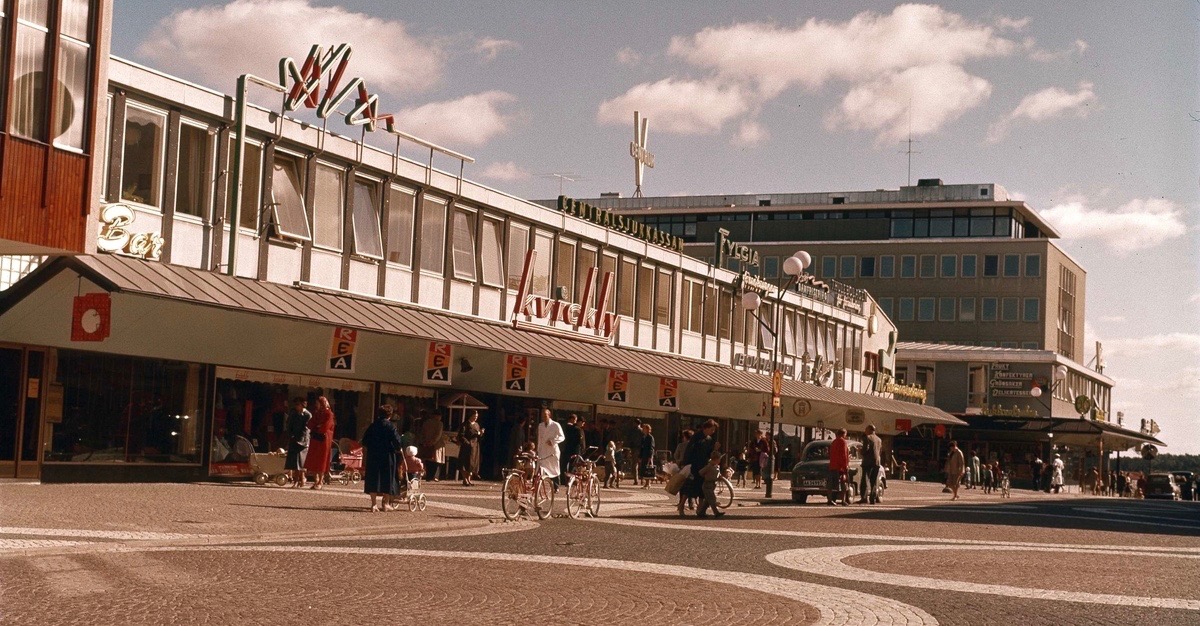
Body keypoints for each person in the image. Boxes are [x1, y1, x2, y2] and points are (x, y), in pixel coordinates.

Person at [361, 405, 403, 512]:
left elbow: (365, 440)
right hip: (387, 455)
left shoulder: (373, 425)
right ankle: (386, 504)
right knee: (388, 477)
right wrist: (397, 448)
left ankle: (374, 504)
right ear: (390, 415)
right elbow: (397, 441)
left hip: (373, 454)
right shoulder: (391, 426)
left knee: (373, 477)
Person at [683, 419, 719, 518]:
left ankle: (700, 510)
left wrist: (715, 449)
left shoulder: (709, 439)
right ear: (706, 428)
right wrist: (686, 463)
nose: (713, 432)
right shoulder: (697, 437)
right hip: (695, 465)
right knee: (692, 486)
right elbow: (689, 450)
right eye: (711, 429)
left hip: (703, 465)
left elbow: (709, 454)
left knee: (702, 488)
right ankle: (682, 506)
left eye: (714, 430)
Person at [304, 396, 335, 490]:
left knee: (322, 460)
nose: (316, 405)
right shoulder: (317, 413)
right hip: (315, 439)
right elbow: (310, 424)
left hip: (323, 440)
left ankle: (320, 480)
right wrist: (317, 426)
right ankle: (315, 480)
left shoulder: (328, 413)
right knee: (314, 459)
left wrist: (317, 427)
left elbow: (325, 426)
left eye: (318, 403)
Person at [283, 397, 310, 488]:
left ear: (303, 404)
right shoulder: (293, 413)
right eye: (295, 405)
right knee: (294, 462)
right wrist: (290, 435)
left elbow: (306, 429)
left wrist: (301, 439)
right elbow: (289, 423)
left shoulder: (307, 415)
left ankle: (301, 479)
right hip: (293, 439)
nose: (296, 406)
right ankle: (296, 480)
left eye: (298, 404)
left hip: (302, 441)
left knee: (301, 462)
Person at [536, 409, 565, 488]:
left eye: (545, 415)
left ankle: (556, 486)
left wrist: (553, 441)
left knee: (553, 468)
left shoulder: (555, 425)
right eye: (542, 416)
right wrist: (538, 449)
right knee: (541, 466)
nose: (544, 417)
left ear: (549, 415)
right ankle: (538, 485)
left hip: (552, 450)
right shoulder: (540, 425)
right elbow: (539, 438)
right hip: (543, 450)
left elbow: (562, 437)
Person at [416, 410, 446, 481]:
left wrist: (424, 442)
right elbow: (438, 435)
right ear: (438, 416)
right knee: (436, 461)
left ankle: (428, 476)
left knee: (428, 460)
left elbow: (422, 433)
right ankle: (435, 476)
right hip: (437, 445)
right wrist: (432, 442)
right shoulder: (439, 423)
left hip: (426, 444)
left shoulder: (426, 423)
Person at [457, 410, 484, 486]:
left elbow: (478, 436)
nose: (475, 418)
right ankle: (464, 479)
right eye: (474, 416)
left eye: (477, 417)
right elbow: (461, 435)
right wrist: (467, 443)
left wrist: (480, 434)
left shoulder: (477, 425)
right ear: (471, 416)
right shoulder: (465, 425)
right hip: (467, 446)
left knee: (472, 464)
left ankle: (469, 479)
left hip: (475, 447)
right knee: (464, 463)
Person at [859, 424, 883, 504]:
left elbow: (865, 449)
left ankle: (864, 498)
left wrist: (860, 451)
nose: (865, 431)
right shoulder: (879, 439)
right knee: (874, 480)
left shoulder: (867, 438)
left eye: (866, 429)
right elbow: (880, 451)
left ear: (869, 430)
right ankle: (873, 498)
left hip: (867, 462)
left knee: (865, 480)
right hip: (876, 462)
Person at [673, 429, 695, 511]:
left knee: (682, 485)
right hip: (692, 467)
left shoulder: (681, 445)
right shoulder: (694, 445)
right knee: (690, 484)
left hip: (682, 466)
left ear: (685, 437)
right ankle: (691, 502)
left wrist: (678, 460)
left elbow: (676, 456)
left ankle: (681, 502)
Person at [828, 428, 850, 506]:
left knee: (831, 484)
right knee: (843, 483)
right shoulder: (843, 442)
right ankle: (843, 500)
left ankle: (830, 499)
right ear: (844, 434)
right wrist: (845, 465)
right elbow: (844, 455)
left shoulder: (834, 442)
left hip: (833, 465)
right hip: (840, 466)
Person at [560, 414, 582, 479]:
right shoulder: (576, 429)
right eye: (575, 420)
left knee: (563, 465)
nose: (575, 422)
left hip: (564, 448)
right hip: (573, 450)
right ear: (572, 419)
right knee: (572, 466)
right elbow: (579, 441)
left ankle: (562, 479)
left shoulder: (563, 427)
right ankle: (569, 479)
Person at [638, 423, 655, 489]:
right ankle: (646, 483)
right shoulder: (643, 437)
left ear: (648, 429)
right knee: (644, 468)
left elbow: (651, 447)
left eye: (644, 428)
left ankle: (648, 483)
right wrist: (640, 456)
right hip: (643, 454)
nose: (643, 429)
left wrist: (650, 456)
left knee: (648, 469)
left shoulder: (650, 437)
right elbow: (641, 447)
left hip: (648, 455)